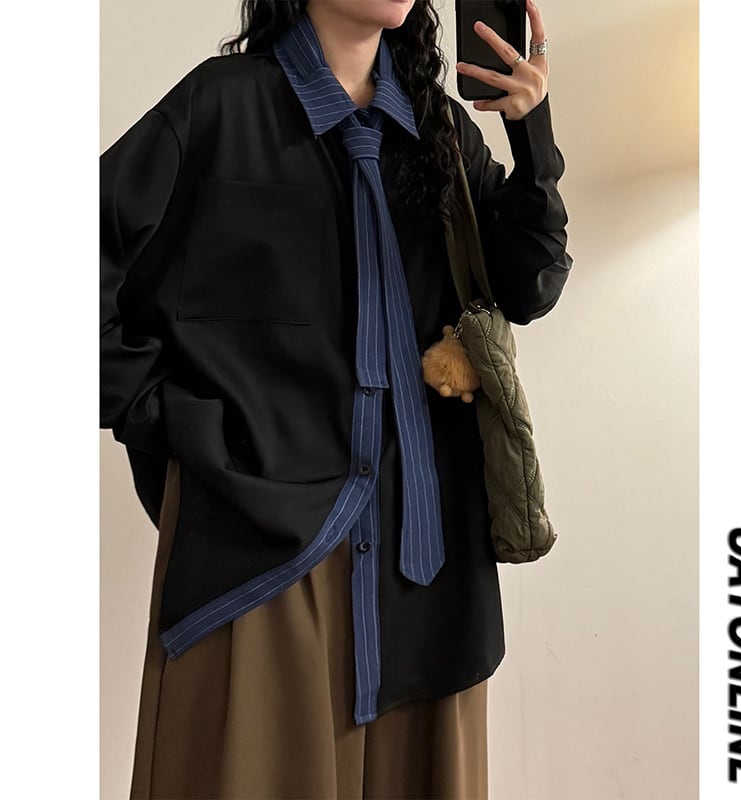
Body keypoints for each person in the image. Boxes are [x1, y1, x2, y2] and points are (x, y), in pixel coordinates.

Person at [100, 0, 572, 797]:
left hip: (427, 570)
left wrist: (532, 135)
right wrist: (167, 415)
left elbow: (530, 285)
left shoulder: (439, 130)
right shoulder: (221, 106)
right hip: (262, 562)